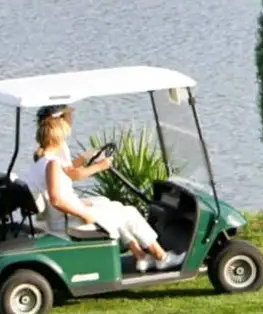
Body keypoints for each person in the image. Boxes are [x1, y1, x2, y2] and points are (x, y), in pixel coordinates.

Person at [22, 104, 180, 271]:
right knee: (130, 212)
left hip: (62, 218)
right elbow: (56, 199)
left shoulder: (42, 160)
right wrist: (83, 213)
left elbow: (62, 184)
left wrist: (81, 202)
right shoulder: (52, 163)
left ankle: (141, 256)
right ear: (58, 136)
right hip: (69, 222)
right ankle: (162, 257)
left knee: (113, 207)